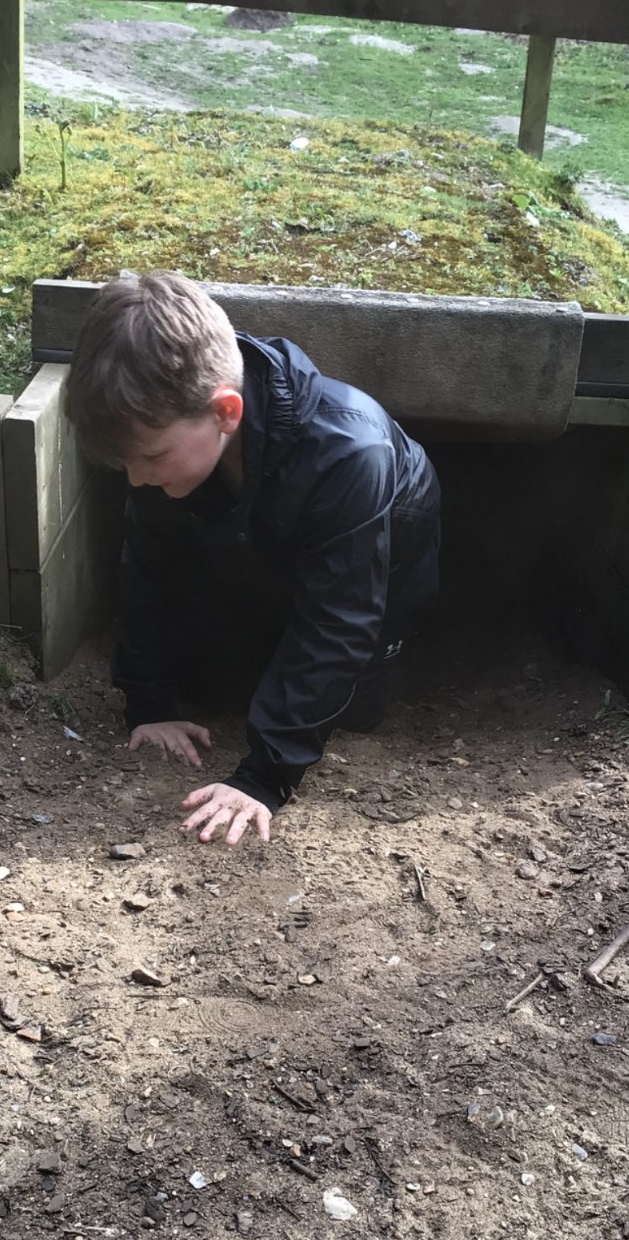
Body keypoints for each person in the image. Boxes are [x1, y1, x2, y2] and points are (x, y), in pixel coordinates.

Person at [63, 271, 441, 846]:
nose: (136, 479)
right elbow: (149, 568)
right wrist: (148, 702)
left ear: (226, 412)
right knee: (216, 684)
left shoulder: (349, 454)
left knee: (349, 717)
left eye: (151, 458)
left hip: (374, 587)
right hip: (255, 558)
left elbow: (339, 620)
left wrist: (264, 777)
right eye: (127, 464)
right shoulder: (169, 440)